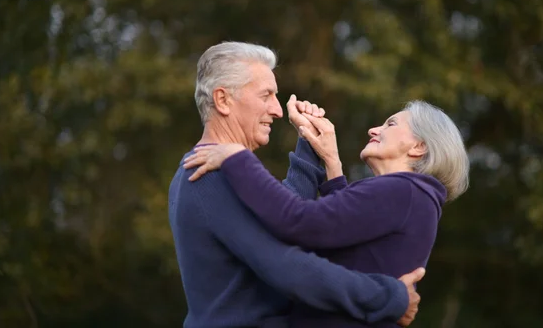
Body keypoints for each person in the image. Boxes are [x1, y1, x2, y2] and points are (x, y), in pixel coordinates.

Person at [168, 41, 425, 328]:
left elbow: (284, 223)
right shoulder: (211, 174)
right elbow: (288, 267)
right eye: (266, 95)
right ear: (223, 100)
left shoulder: (219, 169)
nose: (278, 110)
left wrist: (308, 145)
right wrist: (389, 296)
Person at [184, 99, 470, 327]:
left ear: (419, 147)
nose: (374, 130)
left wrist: (239, 159)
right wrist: (331, 163)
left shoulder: (402, 191)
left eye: (391, 124)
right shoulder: (412, 197)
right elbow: (346, 237)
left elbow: (300, 222)